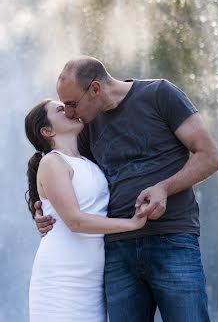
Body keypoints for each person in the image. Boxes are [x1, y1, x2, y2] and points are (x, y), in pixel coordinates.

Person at [34, 57, 218, 322]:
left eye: (72, 104)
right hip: (116, 252)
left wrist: (164, 188)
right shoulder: (86, 126)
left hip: (172, 239)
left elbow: (210, 157)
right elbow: (60, 168)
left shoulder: (160, 94)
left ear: (96, 89)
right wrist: (42, 206)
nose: (69, 112)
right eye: (64, 106)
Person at [25, 98, 147, 322]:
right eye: (60, 110)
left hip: (91, 279)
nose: (69, 111)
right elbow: (75, 221)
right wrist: (132, 223)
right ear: (47, 130)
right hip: (62, 276)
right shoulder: (53, 162)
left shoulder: (89, 162)